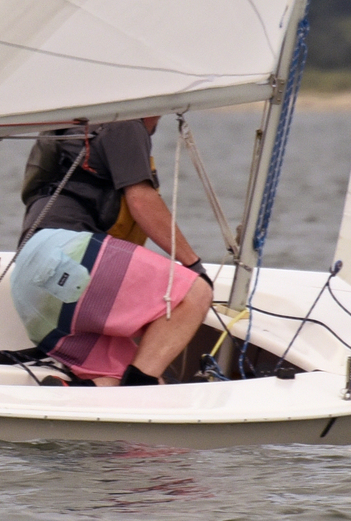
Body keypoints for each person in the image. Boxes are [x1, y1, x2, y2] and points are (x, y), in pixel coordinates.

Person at [11, 117, 214, 386]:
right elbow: (141, 199)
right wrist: (194, 265)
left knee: (117, 376)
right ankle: (142, 387)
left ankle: (72, 393)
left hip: (29, 284)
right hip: (66, 257)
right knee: (194, 292)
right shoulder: (124, 120)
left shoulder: (76, 128)